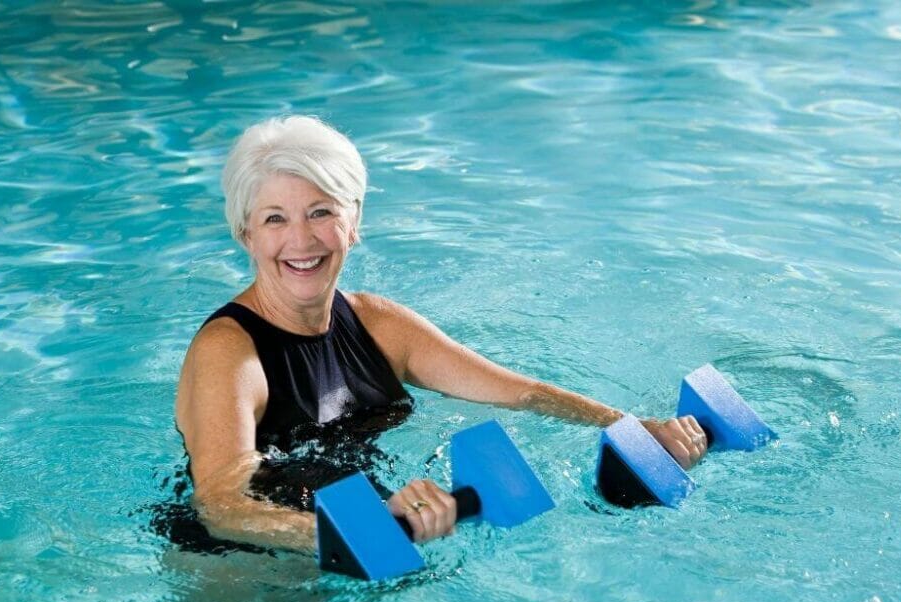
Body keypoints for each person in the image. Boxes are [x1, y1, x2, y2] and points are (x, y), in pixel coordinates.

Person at [174, 115, 707, 556]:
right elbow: (221, 506)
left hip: (367, 547)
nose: (300, 239)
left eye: (321, 212)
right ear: (245, 233)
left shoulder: (379, 325)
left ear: (353, 221)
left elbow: (519, 392)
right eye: (274, 219)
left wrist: (635, 428)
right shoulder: (229, 351)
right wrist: (356, 533)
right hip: (237, 565)